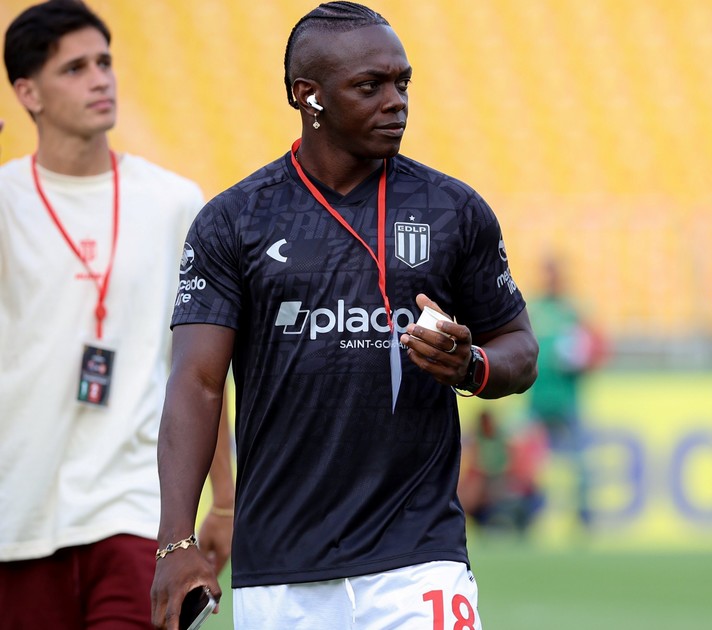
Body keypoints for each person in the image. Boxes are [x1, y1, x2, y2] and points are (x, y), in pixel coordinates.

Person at [149, 2, 538, 628]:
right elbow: (196, 382)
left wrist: (472, 366)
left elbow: (519, 347)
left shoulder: (453, 210)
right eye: (370, 86)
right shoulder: (234, 221)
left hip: (420, 557)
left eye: (402, 83)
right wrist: (175, 539)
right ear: (309, 96)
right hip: (280, 569)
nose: (396, 102)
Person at [0, 1, 235, 628]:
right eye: (74, 68)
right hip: (18, 515)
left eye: (104, 62)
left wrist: (224, 501)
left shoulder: (173, 201)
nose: (100, 79)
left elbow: (201, 362)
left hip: (134, 511)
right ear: (28, 93)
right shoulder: (4, 199)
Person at [525, 257, 605, 530]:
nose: (551, 279)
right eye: (548, 273)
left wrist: (583, 360)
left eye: (554, 273)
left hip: (566, 399)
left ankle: (583, 516)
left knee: (578, 461)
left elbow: (597, 349)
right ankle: (529, 514)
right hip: (537, 398)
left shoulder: (574, 311)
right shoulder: (533, 310)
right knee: (530, 461)